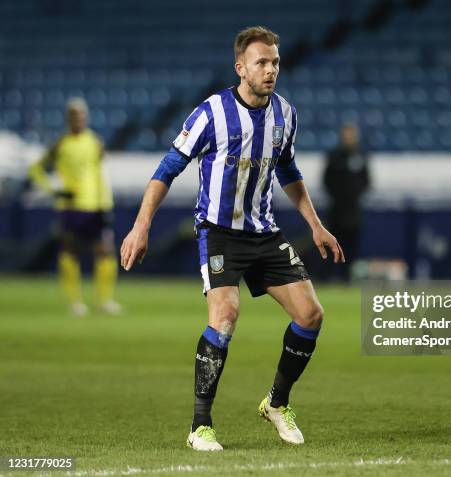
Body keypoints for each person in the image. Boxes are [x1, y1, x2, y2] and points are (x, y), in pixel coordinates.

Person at [120, 26, 344, 451]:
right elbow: (168, 168)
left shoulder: (285, 115)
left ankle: (277, 403)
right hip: (220, 233)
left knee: (312, 315)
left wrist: (315, 224)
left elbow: (289, 172)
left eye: (275, 61)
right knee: (225, 315)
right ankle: (200, 426)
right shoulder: (210, 114)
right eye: (262, 62)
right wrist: (141, 224)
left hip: (264, 232)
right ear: (240, 67)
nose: (271, 69)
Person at [29, 98, 120, 316]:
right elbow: (36, 170)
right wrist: (53, 191)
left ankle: (105, 300)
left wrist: (106, 203)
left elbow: (100, 175)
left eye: (81, 115)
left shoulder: (95, 143)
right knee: (71, 251)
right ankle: (75, 301)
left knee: (105, 250)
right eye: (73, 115)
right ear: (68, 118)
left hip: (95, 205)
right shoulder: (60, 144)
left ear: (85, 117)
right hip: (71, 206)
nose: (78, 119)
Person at [323, 124, 370, 281]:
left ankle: (348, 277)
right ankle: (331, 276)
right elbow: (326, 180)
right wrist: (338, 195)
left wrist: (354, 195)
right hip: (337, 209)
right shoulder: (334, 156)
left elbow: (366, 180)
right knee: (333, 242)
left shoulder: (361, 155)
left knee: (352, 245)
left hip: (354, 210)